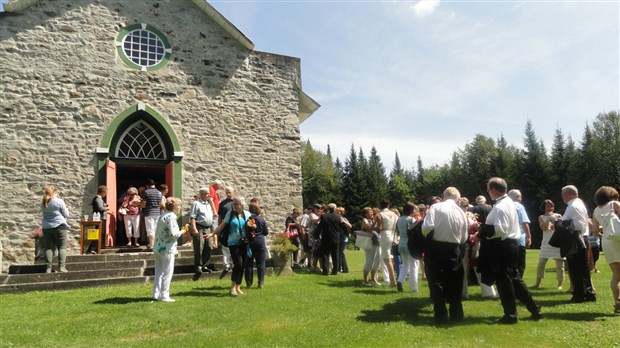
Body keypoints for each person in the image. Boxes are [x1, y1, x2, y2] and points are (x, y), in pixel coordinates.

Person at [479, 177, 542, 324]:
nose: (488, 192)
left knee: (504, 281)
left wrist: (484, 231)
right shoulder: (508, 203)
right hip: (511, 245)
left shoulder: (500, 206)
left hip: (503, 246)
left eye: (488, 189)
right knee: (514, 279)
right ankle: (534, 309)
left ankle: (510, 315)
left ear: (494, 190)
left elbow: (500, 230)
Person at [422, 187, 469, 323]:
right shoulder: (461, 212)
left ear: (444, 196)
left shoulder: (436, 207)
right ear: (457, 198)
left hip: (436, 247)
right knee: (455, 280)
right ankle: (456, 313)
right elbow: (464, 237)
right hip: (454, 249)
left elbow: (427, 227)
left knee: (435, 280)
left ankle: (440, 313)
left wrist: (429, 238)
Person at [561, 185, 596, 303]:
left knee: (575, 269)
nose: (562, 197)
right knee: (583, 268)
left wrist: (560, 224)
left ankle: (579, 295)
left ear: (569, 194)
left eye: (563, 194)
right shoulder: (578, 204)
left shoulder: (573, 205)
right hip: (581, 238)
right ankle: (588, 293)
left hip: (576, 239)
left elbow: (579, 225)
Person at [591, 186, 620, 314]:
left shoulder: (596, 210)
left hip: (607, 241)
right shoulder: (615, 204)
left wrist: (607, 230)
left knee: (616, 274)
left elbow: (596, 230)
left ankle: (617, 303)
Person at [214, 197, 251, 296]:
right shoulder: (230, 213)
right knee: (238, 264)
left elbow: (251, 226)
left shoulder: (247, 214)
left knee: (243, 265)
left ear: (242, 205)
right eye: (233, 204)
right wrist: (213, 233)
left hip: (244, 242)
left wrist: (253, 227)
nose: (234, 206)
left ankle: (238, 287)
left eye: (236, 204)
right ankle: (232, 287)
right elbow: (222, 225)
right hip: (233, 242)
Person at [152, 197, 183, 302]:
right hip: (167, 248)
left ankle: (156, 294)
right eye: (178, 205)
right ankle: (164, 295)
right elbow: (173, 234)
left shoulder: (163, 215)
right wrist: (183, 231)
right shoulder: (171, 216)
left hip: (158, 247)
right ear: (174, 206)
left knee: (159, 272)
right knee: (167, 272)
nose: (180, 208)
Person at [531, 199, 564, 289]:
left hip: (557, 242)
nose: (550, 208)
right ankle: (537, 284)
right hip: (546, 243)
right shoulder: (541, 217)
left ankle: (560, 285)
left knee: (559, 265)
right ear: (544, 207)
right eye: (548, 206)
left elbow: (561, 227)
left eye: (551, 206)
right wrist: (548, 219)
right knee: (541, 264)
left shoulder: (558, 216)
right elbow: (543, 228)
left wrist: (554, 221)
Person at [41, 185, 70, 273]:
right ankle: (62, 267)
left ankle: (48, 268)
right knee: (62, 247)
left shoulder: (43, 202)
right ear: (54, 193)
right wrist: (68, 210)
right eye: (57, 193)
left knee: (48, 248)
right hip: (59, 225)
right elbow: (66, 214)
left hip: (46, 227)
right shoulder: (59, 201)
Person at [189, 187, 215, 281]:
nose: (208, 195)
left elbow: (213, 216)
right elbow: (192, 217)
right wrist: (194, 228)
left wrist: (212, 228)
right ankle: (198, 267)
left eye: (208, 193)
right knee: (199, 247)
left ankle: (205, 265)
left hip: (208, 228)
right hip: (199, 227)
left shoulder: (208, 204)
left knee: (208, 247)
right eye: (207, 194)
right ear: (201, 194)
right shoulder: (196, 203)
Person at [395, 202, 420, 293]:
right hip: (410, 245)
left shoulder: (399, 219)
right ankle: (413, 288)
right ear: (411, 210)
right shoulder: (411, 219)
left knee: (405, 265)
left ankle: (400, 281)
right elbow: (414, 232)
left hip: (401, 244)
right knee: (414, 266)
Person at [315, 203, 345, 275]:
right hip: (336, 238)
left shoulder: (324, 216)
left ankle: (325, 271)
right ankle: (335, 271)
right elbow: (342, 228)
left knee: (325, 255)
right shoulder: (338, 217)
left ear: (328, 209)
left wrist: (316, 235)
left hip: (326, 238)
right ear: (335, 209)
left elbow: (320, 227)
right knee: (335, 255)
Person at [508, 189, 532, 278]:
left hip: (507, 239)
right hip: (519, 239)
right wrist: (529, 237)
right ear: (518, 197)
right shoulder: (519, 207)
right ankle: (518, 283)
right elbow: (524, 222)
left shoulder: (505, 206)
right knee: (520, 264)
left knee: (510, 264)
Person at [245, 202, 269, 289]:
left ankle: (249, 282)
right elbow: (266, 232)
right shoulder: (261, 219)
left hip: (251, 241)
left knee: (249, 263)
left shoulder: (249, 219)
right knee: (261, 262)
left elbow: (247, 230)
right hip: (260, 241)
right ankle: (260, 282)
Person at [378, 201, 398, 287]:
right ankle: (393, 278)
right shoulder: (394, 214)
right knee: (391, 257)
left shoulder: (380, 214)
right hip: (394, 234)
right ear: (389, 205)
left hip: (385, 234)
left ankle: (393, 281)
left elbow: (380, 228)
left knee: (387, 259)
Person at [217, 186, 235, 277]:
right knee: (225, 247)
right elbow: (220, 217)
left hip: (235, 228)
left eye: (230, 192)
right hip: (225, 228)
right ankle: (226, 265)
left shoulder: (237, 203)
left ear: (233, 192)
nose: (228, 194)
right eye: (227, 192)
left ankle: (234, 264)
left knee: (235, 246)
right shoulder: (222, 204)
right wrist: (219, 227)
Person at [361, 207, 381, 286]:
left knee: (377, 261)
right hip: (369, 243)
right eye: (369, 212)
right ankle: (365, 280)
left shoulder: (373, 220)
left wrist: (377, 222)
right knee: (369, 261)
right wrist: (376, 221)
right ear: (365, 214)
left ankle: (373, 279)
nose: (371, 213)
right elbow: (369, 228)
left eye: (372, 212)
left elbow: (379, 229)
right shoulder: (364, 220)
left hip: (377, 242)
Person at [142, 179, 164, 252]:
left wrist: (136, 204)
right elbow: (161, 204)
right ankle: (157, 244)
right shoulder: (159, 193)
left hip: (149, 213)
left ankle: (152, 245)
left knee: (150, 230)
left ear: (147, 185)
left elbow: (143, 204)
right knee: (156, 229)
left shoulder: (146, 192)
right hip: (158, 213)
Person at [87, 185, 108, 254]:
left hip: (101, 218)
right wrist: (106, 208)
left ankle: (96, 249)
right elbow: (100, 208)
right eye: (106, 192)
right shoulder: (98, 198)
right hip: (100, 218)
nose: (106, 194)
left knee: (100, 233)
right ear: (103, 192)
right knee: (98, 233)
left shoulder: (99, 199)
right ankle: (92, 249)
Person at [336, 207, 352, 273]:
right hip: (337, 238)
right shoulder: (335, 219)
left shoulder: (344, 219)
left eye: (339, 211)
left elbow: (350, 226)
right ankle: (344, 269)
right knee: (340, 253)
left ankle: (340, 268)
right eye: (337, 211)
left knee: (340, 253)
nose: (338, 212)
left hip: (343, 238)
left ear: (342, 212)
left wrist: (343, 221)